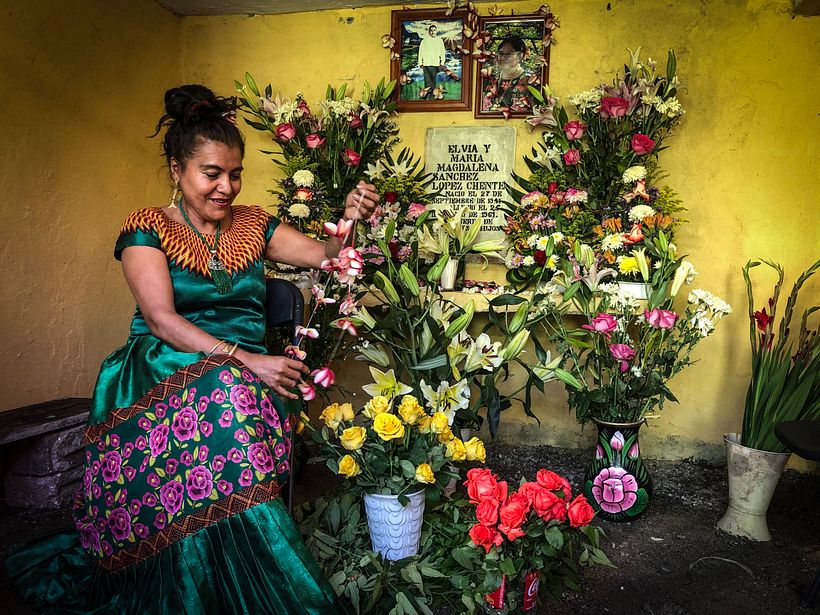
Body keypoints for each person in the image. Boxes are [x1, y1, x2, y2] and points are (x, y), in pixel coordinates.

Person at [6, 84, 379, 614]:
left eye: (235, 174)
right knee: (228, 391)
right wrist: (248, 360)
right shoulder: (146, 228)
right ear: (177, 171)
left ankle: (236, 572)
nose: (226, 187)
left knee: (231, 392)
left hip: (244, 376)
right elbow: (160, 320)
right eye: (211, 173)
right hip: (161, 367)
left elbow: (325, 254)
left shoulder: (254, 224)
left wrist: (349, 217)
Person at [480, 36, 539, 113]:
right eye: (501, 53)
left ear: (520, 55)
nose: (503, 57)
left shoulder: (530, 82)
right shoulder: (490, 78)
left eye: (509, 54)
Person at [417, 23, 446, 100]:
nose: (433, 32)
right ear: (429, 32)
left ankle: (434, 95)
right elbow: (420, 52)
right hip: (426, 64)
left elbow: (442, 52)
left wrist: (442, 62)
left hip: (435, 63)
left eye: (434, 30)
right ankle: (427, 96)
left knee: (433, 80)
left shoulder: (439, 41)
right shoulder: (424, 41)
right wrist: (420, 62)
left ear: (436, 31)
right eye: (431, 30)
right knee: (427, 80)